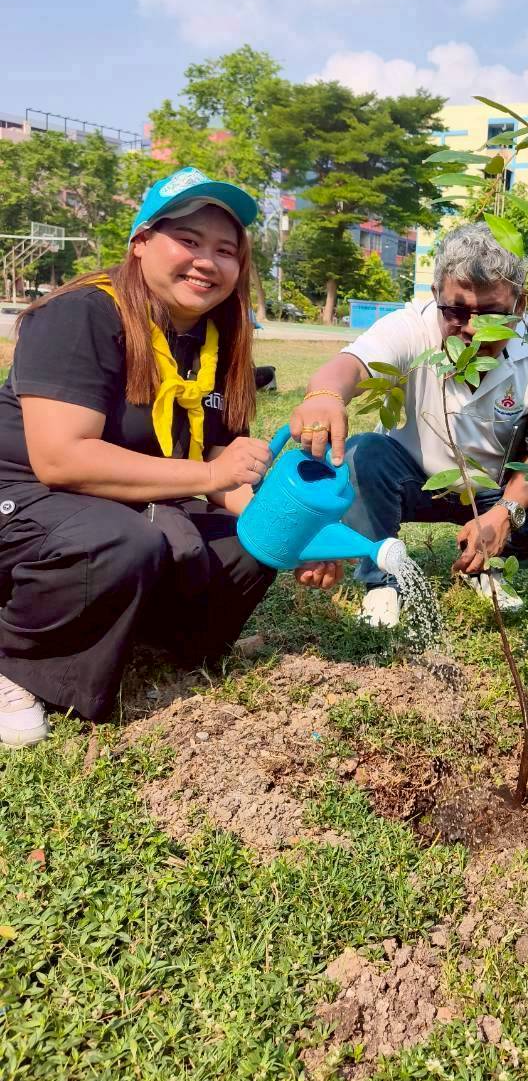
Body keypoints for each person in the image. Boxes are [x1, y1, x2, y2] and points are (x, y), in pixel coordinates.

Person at [0, 166, 338, 748]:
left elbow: (221, 465)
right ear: (140, 244)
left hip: (126, 502)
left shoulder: (217, 338)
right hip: (30, 497)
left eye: (225, 249)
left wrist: (292, 533)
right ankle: (16, 658)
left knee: (251, 544)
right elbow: (61, 460)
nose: (207, 261)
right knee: (121, 540)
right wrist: (210, 474)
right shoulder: (83, 314)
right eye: (188, 240)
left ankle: (155, 639)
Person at [288, 223, 528, 627]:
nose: (472, 329)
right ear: (436, 297)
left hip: (490, 491)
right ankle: (382, 581)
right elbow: (350, 367)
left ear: (519, 306)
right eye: (457, 311)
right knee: (362, 454)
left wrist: (504, 513)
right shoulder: (413, 326)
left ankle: (482, 566)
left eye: (492, 314)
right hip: (411, 481)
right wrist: (324, 395)